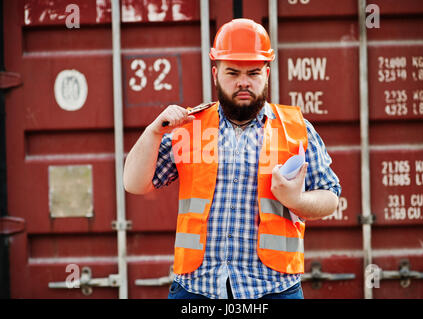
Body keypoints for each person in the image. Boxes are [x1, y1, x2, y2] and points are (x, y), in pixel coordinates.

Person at [123, 18, 341, 299]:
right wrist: (154, 132)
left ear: (267, 73)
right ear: (215, 74)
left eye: (253, 72)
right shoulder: (191, 127)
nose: (243, 82)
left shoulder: (296, 129)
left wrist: (297, 201)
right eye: (232, 73)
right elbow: (133, 183)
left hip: (273, 289)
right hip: (196, 289)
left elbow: (331, 197)